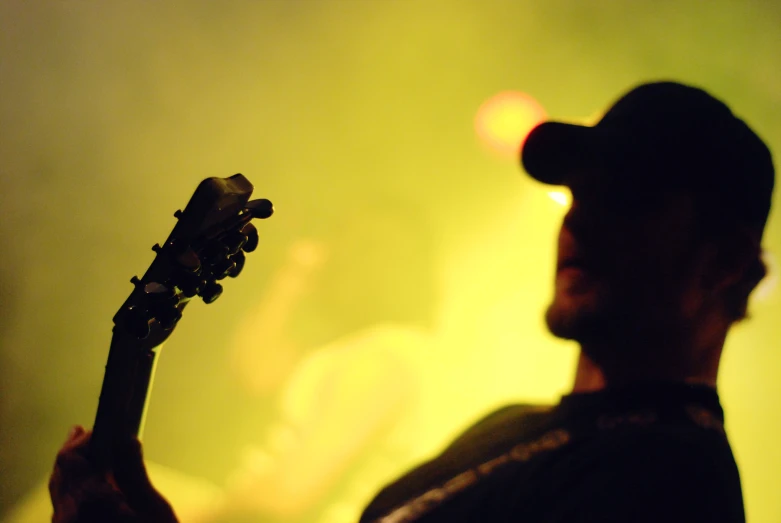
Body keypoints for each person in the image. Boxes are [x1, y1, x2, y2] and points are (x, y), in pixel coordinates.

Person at [48, 80, 774, 523]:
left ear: (723, 262)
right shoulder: (515, 427)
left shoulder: (673, 479)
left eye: (627, 200)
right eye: (578, 192)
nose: (578, 220)